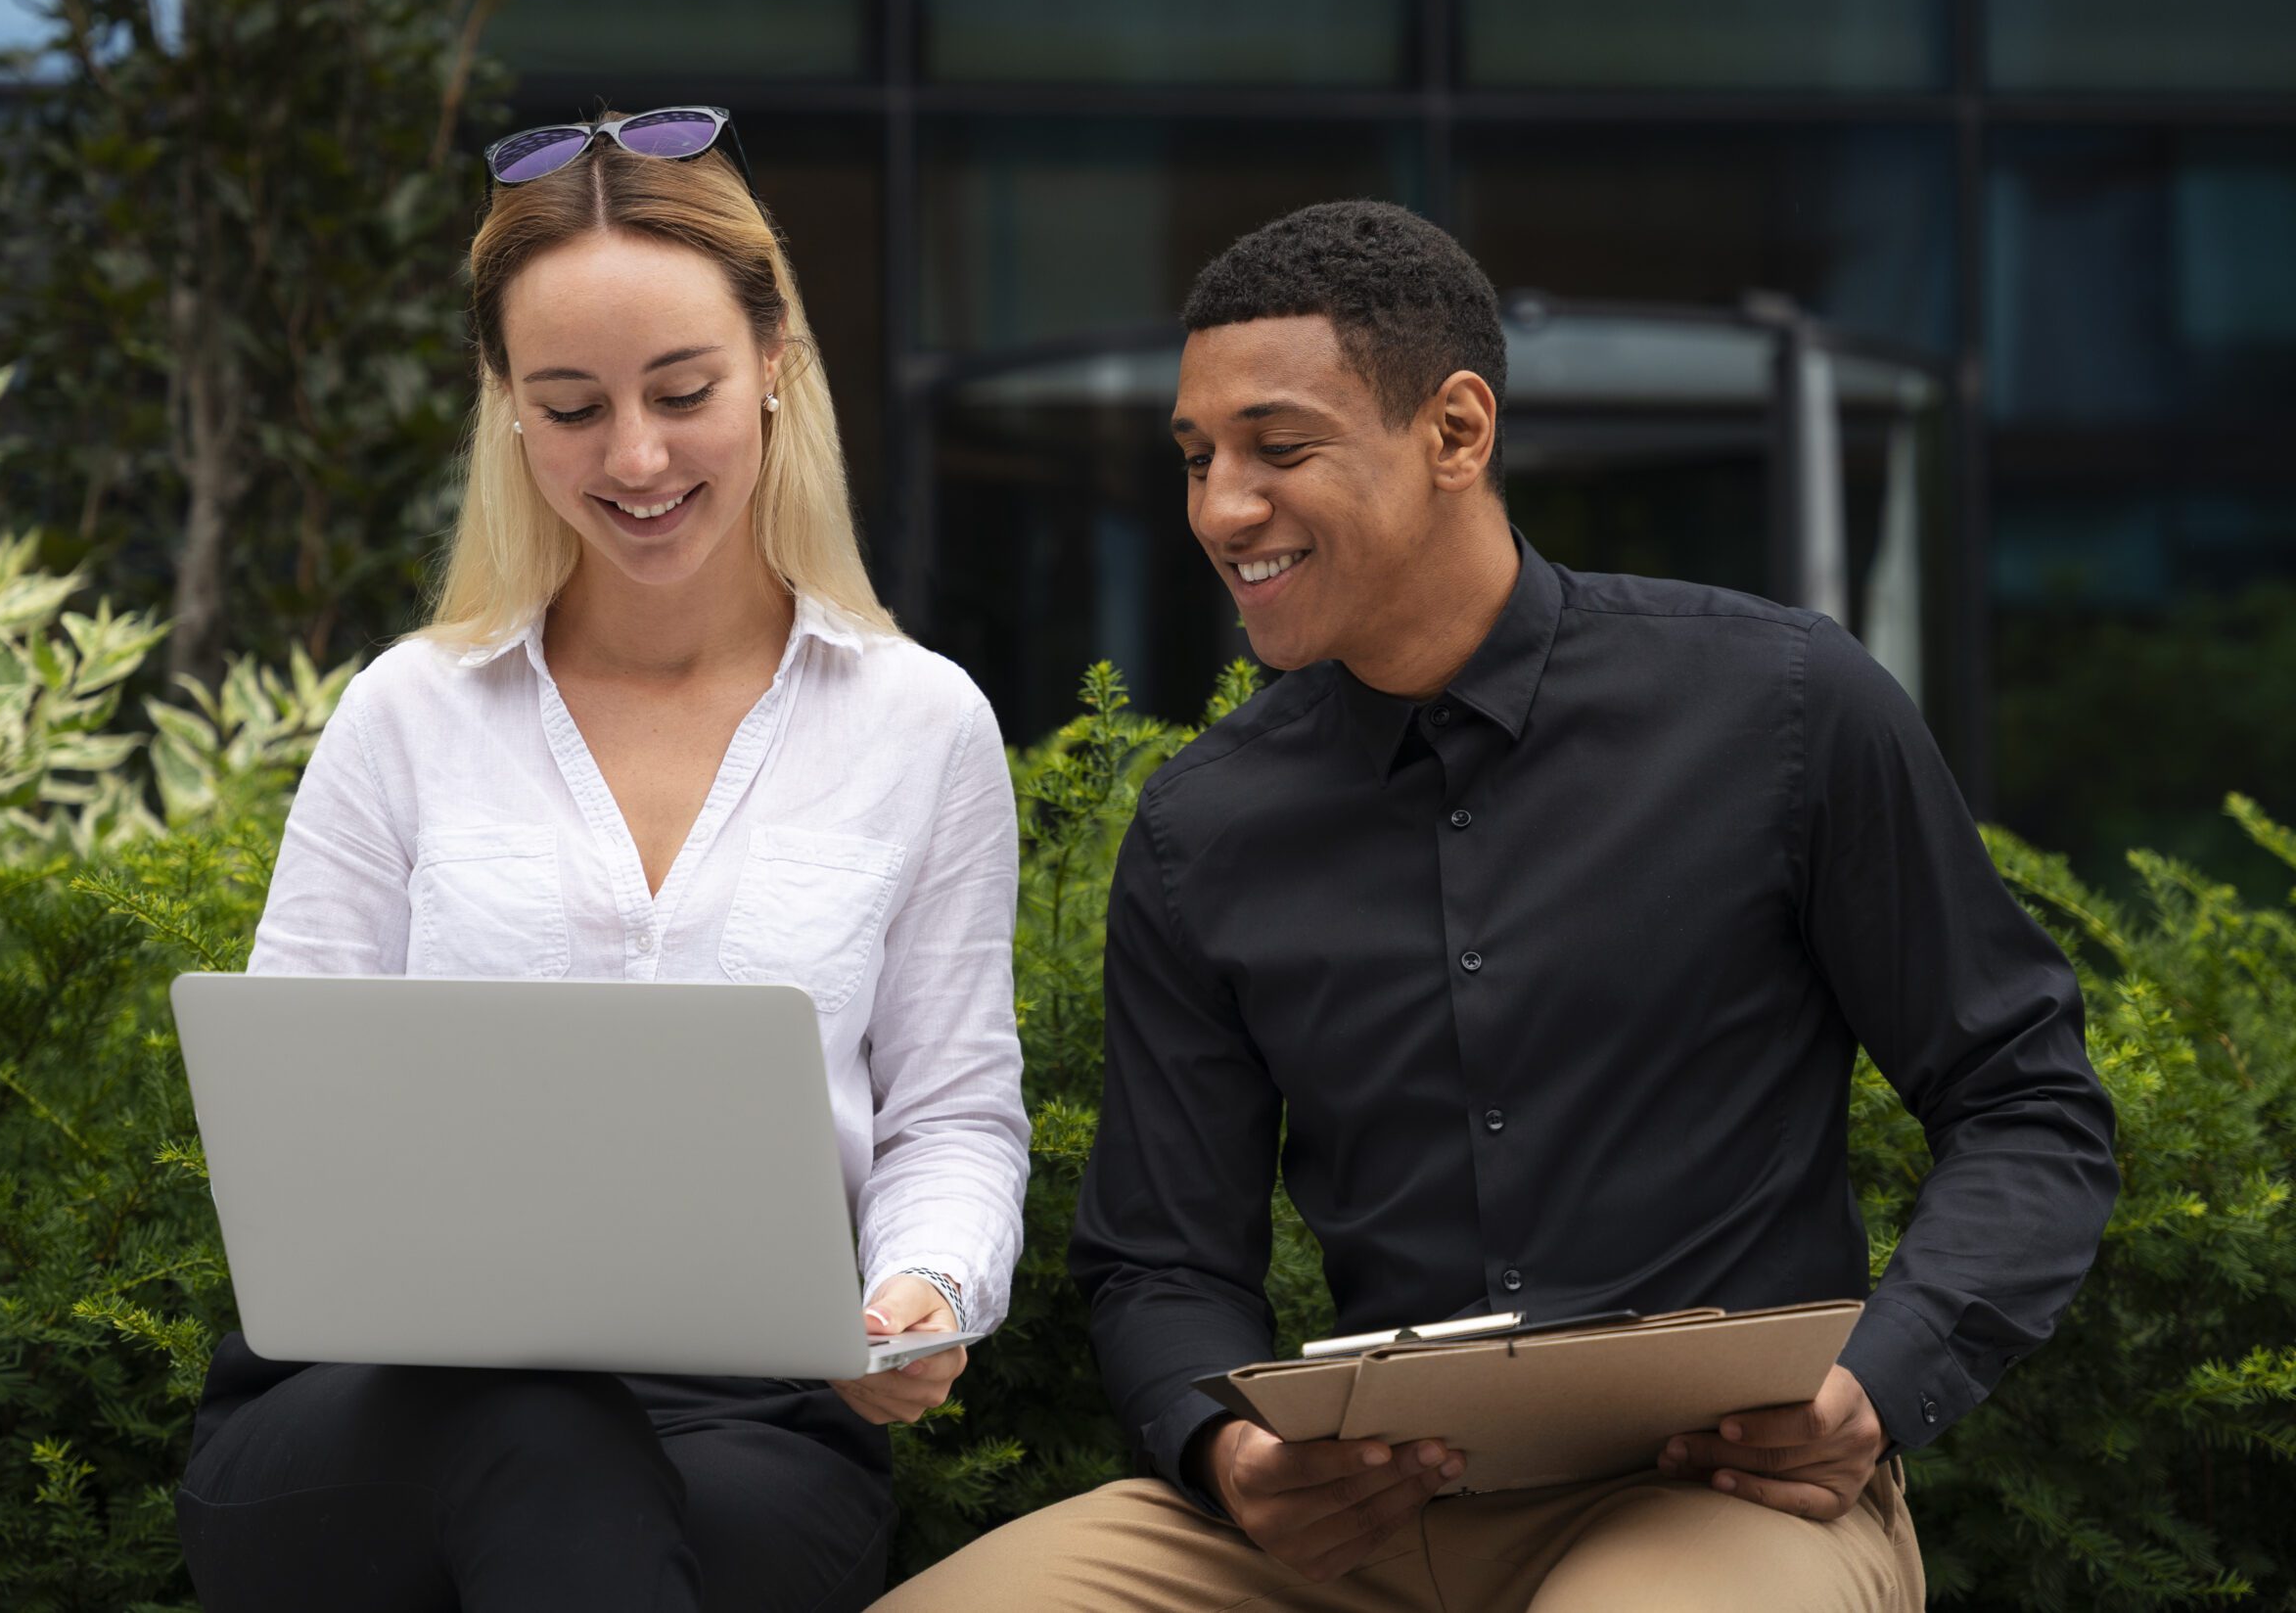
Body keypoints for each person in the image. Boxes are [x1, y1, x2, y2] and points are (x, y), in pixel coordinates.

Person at [873, 201, 2117, 1612]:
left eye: (1280, 448)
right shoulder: (1201, 829)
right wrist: (1229, 1457)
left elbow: (2026, 1101)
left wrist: (1879, 1383)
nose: (1222, 506)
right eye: (1198, 458)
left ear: (1457, 434)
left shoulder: (1784, 710)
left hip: (1721, 1501)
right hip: (1354, 1525)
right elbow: (1160, 1261)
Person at [175, 108, 1029, 1613]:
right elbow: (288, 1104)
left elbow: (952, 1116)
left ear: (776, 360)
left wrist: (922, 1295)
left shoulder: (920, 725)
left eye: (681, 390)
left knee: (603, 1506)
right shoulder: (407, 712)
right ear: (504, 402)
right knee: (539, 1435)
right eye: (570, 406)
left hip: (754, 1432)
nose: (634, 458)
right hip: (379, 1415)